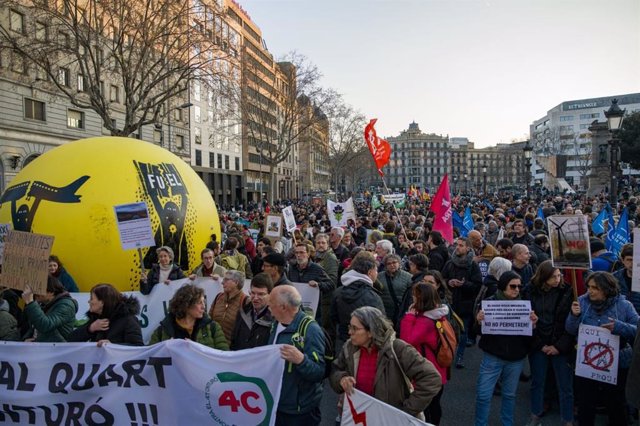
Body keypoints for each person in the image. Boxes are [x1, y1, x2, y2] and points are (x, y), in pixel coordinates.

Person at [330, 306, 442, 419]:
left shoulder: (398, 349)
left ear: (371, 332)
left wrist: (406, 411)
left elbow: (432, 378)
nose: (350, 332)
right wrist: (341, 379)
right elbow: (335, 370)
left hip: (389, 420)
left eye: (355, 328)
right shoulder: (349, 347)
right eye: (350, 327)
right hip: (360, 417)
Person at [565, 271, 639, 426]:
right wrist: (574, 315)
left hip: (617, 364)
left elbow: (637, 331)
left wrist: (619, 327)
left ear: (607, 289)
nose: (590, 291)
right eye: (589, 287)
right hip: (588, 364)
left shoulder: (624, 305)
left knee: (616, 405)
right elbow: (571, 330)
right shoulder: (581, 302)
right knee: (586, 404)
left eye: (595, 288)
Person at [474, 271, 538, 426]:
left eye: (519, 286)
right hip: (493, 357)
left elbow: (530, 337)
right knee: (483, 395)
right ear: (503, 286)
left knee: (509, 395)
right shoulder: (489, 303)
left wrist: (533, 325)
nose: (517, 289)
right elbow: (476, 332)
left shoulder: (526, 305)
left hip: (515, 359)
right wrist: (478, 321)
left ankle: (507, 423)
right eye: (513, 286)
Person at [522, 260, 575, 426]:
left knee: (565, 385)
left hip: (559, 344)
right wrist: (540, 345)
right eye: (553, 277)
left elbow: (570, 324)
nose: (558, 280)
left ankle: (568, 419)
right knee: (538, 382)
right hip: (538, 343)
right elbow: (525, 321)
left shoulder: (567, 292)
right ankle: (535, 415)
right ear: (543, 277)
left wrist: (558, 346)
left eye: (559, 276)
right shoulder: (529, 291)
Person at [268, 285, 325, 425]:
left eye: (271, 305)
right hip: (276, 403)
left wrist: (301, 360)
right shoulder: (275, 324)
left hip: (298, 411)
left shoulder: (311, 329)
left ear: (283, 307)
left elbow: (319, 372)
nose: (268, 308)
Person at [399, 283, 450, 424]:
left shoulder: (425, 321)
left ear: (422, 298)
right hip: (438, 369)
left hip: (426, 371)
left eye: (415, 295)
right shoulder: (437, 315)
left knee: (426, 409)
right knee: (434, 406)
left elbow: (406, 341)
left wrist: (409, 316)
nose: (413, 298)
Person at [442, 237, 482, 368]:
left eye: (461, 245)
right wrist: (449, 282)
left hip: (466, 303)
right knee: (448, 330)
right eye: (456, 245)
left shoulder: (473, 265)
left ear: (468, 248)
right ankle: (448, 354)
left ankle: (460, 356)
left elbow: (478, 285)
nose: (457, 247)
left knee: (463, 332)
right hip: (450, 302)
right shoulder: (450, 263)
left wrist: (464, 284)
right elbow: (442, 278)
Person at [149, 284, 228, 349]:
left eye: (204, 302)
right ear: (186, 305)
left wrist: (197, 349)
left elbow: (223, 356)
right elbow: (150, 358)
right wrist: (166, 349)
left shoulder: (213, 327)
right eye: (199, 302)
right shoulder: (162, 331)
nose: (204, 306)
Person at [331, 251, 385, 344]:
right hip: (366, 344)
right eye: (376, 270)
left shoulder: (338, 292)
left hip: (343, 342)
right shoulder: (373, 297)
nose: (377, 273)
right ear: (369, 272)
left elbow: (332, 319)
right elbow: (380, 326)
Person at [68, 283, 143, 346]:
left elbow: (138, 346)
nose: (89, 301)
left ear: (102, 302)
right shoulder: (95, 318)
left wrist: (113, 346)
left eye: (92, 298)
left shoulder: (128, 320)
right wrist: (90, 329)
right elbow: (70, 340)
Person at [21, 276, 78, 342]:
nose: (35, 293)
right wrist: (26, 339)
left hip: (56, 349)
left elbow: (46, 325)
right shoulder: (43, 304)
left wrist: (30, 302)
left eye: (39, 289)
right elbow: (34, 326)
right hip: (42, 346)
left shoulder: (66, 305)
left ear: (51, 292)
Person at [231, 272, 274, 350]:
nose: (255, 298)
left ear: (270, 294)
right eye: (253, 293)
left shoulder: (275, 319)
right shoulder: (242, 312)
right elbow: (234, 341)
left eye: (261, 294)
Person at [209, 270, 246, 343]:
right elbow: (208, 320)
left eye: (226, 280)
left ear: (236, 282)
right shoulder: (218, 297)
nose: (222, 282)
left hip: (232, 350)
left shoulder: (245, 301)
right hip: (214, 345)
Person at [379, 253, 413, 325]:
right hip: (385, 311)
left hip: (401, 311)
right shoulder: (379, 277)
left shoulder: (408, 277)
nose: (392, 265)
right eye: (389, 263)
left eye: (394, 262)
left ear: (399, 263)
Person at [614, 243, 640, 314]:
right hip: (620, 318)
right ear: (622, 260)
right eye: (629, 260)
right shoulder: (614, 278)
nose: (633, 263)